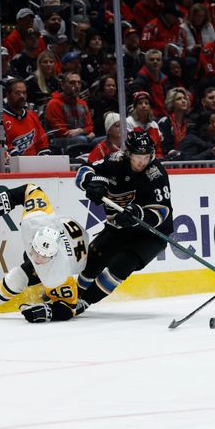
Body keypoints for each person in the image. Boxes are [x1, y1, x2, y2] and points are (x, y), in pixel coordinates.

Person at [0, 183, 89, 323]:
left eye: (43, 257)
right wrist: (7, 198)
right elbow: (31, 189)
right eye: (35, 252)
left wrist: (47, 312)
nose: (37, 259)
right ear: (35, 239)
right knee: (27, 269)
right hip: (64, 226)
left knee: (21, 275)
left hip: (78, 251)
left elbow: (68, 308)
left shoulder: (61, 273)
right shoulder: (35, 221)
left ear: (53, 256)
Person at [74, 131, 172, 306]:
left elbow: (163, 211)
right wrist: (92, 181)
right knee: (92, 262)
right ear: (128, 153)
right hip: (119, 228)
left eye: (146, 156)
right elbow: (84, 170)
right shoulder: (115, 161)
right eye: (137, 156)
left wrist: (138, 214)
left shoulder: (156, 174)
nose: (142, 161)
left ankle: (84, 302)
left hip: (150, 234)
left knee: (121, 265)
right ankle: (72, 296)